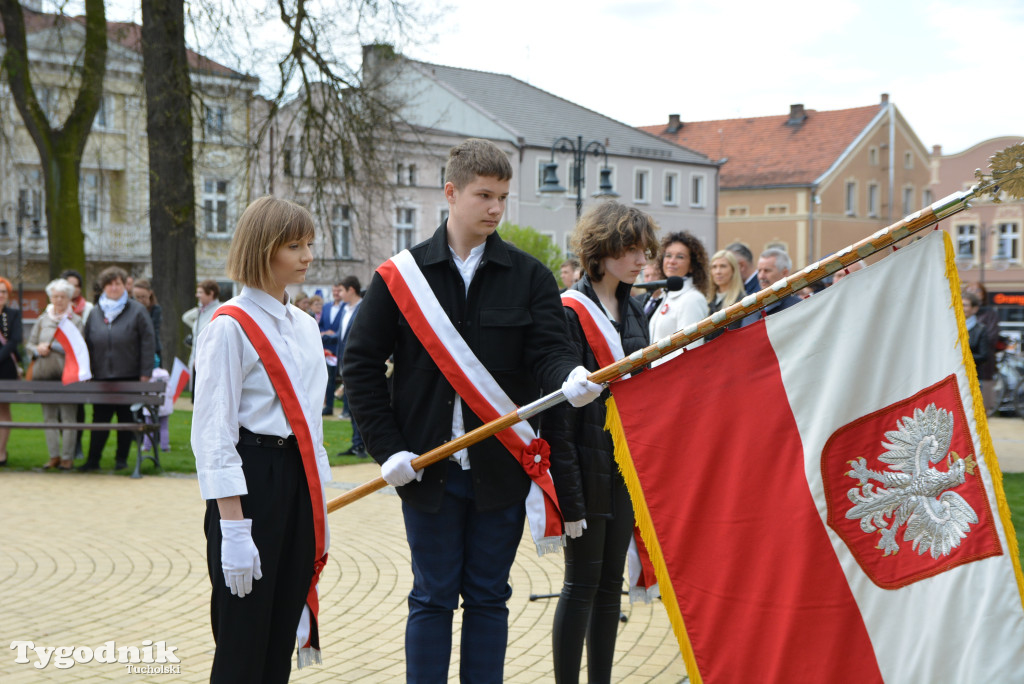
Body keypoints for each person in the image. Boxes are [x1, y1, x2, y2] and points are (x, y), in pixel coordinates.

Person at [342, 138, 602, 683]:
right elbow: (360, 365)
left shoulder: (528, 275)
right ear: (451, 193)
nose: (495, 209)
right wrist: (387, 449)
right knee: (432, 597)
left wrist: (569, 376)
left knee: (489, 598)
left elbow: (550, 352)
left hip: (501, 468)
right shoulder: (401, 276)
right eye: (484, 195)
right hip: (427, 468)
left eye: (503, 198)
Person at [191, 196, 332, 682]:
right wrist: (232, 527)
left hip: (297, 476)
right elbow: (212, 430)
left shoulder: (307, 326)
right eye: (293, 245)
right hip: (251, 482)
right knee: (243, 636)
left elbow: (310, 417)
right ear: (262, 249)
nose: (306, 255)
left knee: (279, 632)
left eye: (309, 243)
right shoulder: (228, 326)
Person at [546, 201, 658, 684]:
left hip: (624, 467)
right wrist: (567, 494)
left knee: (610, 586)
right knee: (580, 584)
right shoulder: (568, 312)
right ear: (601, 250)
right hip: (582, 469)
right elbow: (559, 413)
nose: (640, 260)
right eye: (629, 249)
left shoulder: (636, 311)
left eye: (643, 250)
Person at [80, 266, 155, 471]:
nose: (114, 287)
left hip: (130, 375)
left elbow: (148, 343)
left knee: (125, 419)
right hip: (101, 376)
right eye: (110, 284)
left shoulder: (137, 310)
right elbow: (87, 343)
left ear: (124, 286)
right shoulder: (95, 312)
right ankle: (93, 460)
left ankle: (121, 460)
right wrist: (86, 371)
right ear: (104, 287)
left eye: (118, 283)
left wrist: (145, 373)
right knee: (100, 420)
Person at [28, 279, 84, 469]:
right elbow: (29, 344)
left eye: (62, 296)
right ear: (50, 298)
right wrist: (38, 349)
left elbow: (79, 348)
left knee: (69, 417)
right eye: (55, 296)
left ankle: (67, 458)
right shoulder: (43, 319)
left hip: (67, 377)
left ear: (69, 298)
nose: (58, 300)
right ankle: (54, 456)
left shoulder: (75, 321)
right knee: (49, 417)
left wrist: (54, 347)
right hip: (44, 375)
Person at [648, 231, 710, 365]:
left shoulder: (692, 298)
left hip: (671, 381)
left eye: (680, 257)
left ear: (692, 265)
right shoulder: (666, 295)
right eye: (668, 255)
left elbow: (689, 351)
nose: (671, 261)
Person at [59, 268, 93, 461]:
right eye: (69, 285)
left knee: (77, 408)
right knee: (60, 408)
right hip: (59, 365)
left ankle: (76, 444)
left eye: (77, 286)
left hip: (78, 364)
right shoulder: (53, 307)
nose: (74, 289)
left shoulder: (87, 309)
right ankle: (65, 449)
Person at [333, 276, 365, 457]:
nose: (339, 294)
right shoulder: (345, 309)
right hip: (345, 365)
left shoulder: (363, 308)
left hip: (357, 366)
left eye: (342, 290)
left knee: (357, 408)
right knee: (351, 409)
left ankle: (360, 445)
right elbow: (342, 339)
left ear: (351, 290)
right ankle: (357, 444)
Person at [740, 248, 801, 327]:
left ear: (784, 273)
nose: (761, 276)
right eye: (759, 271)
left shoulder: (797, 307)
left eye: (767, 271)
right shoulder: (750, 306)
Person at [964, 281, 1000, 413]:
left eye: (977, 290)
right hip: (963, 369)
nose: (973, 293)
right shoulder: (958, 315)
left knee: (981, 407)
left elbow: (991, 338)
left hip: (983, 367)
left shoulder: (989, 314)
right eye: (970, 290)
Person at [182, 279, 222, 394]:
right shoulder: (201, 311)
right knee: (196, 395)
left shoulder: (219, 310)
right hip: (195, 358)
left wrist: (201, 357)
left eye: (200, 292)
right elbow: (186, 318)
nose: (197, 295)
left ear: (211, 294)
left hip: (208, 361)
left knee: (206, 394)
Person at [0, 276, 22, 466]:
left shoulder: (14, 314)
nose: (0, 295)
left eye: (4, 291)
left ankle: (1, 452)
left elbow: (15, 340)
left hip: (6, 367)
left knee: (3, 409)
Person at [705, 249, 745, 342]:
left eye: (723, 266)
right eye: (714, 267)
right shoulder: (707, 300)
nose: (718, 271)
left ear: (733, 270)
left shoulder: (741, 300)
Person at [319, 282, 345, 416]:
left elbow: (343, 330)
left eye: (338, 291)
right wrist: (324, 334)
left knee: (343, 379)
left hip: (339, 349)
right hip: (326, 350)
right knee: (327, 380)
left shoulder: (346, 307)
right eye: (334, 291)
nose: (336, 293)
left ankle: (346, 410)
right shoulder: (326, 306)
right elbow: (321, 326)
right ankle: (328, 407)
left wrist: (331, 335)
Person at [132, 278, 163, 368]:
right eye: (137, 297)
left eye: (143, 297)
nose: (140, 300)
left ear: (150, 293)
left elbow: (151, 329)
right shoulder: (130, 309)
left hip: (153, 350)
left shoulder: (155, 309)